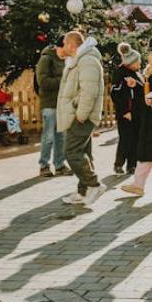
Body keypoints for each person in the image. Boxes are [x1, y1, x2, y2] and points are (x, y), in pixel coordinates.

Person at [57, 31, 107, 205]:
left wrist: (80, 115)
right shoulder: (78, 60)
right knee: (83, 152)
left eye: (64, 43)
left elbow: (89, 91)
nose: (63, 47)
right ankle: (83, 191)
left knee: (72, 152)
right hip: (78, 114)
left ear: (72, 45)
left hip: (82, 116)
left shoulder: (87, 61)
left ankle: (94, 184)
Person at [121, 41, 152, 196]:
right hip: (149, 116)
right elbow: (145, 93)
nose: (148, 56)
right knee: (149, 152)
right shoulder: (151, 71)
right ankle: (139, 184)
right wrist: (135, 85)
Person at [35, 38, 69, 177]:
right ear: (60, 47)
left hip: (62, 104)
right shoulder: (46, 59)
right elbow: (43, 82)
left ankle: (60, 165)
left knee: (61, 136)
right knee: (48, 136)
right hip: (49, 104)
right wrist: (64, 80)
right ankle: (44, 165)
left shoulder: (66, 60)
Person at [110, 43, 144, 175]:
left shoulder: (136, 74)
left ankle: (132, 165)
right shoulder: (120, 73)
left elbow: (142, 89)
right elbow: (116, 93)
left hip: (136, 112)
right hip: (125, 113)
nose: (140, 63)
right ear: (131, 62)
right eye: (138, 61)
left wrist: (137, 85)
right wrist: (125, 111)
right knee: (125, 139)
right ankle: (119, 164)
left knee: (135, 139)